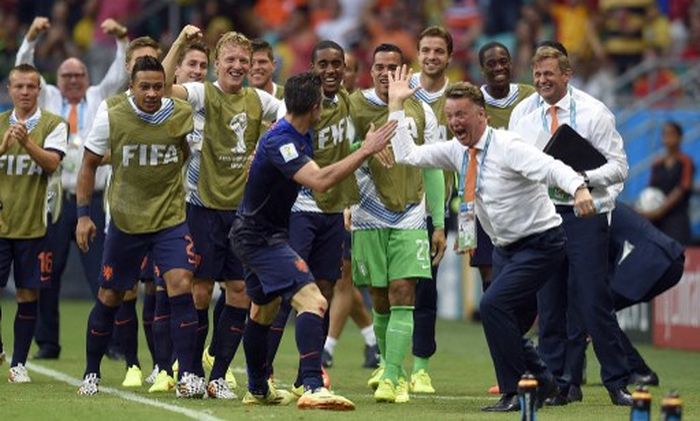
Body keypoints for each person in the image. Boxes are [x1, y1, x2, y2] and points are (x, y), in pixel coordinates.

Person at [389, 71, 593, 412]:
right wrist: (396, 105)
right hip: (505, 249)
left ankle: (515, 392)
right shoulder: (458, 149)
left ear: (481, 115)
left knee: (493, 306)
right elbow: (407, 155)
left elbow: (551, 167)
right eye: (450, 115)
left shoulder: (508, 146)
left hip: (541, 243)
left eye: (461, 115)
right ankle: (544, 381)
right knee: (506, 319)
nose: (455, 122)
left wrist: (579, 188)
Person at [230, 71, 396, 410]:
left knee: (263, 310)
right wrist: (365, 151)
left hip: (258, 232)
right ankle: (312, 384)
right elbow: (320, 180)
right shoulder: (283, 140)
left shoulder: (298, 135)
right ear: (316, 106)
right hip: (260, 237)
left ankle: (258, 388)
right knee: (314, 301)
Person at [162, 25, 282, 399]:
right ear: (216, 64)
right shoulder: (201, 93)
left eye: (242, 60)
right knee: (199, 291)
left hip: (242, 213)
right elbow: (163, 86)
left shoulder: (259, 101)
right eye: (229, 59)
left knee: (239, 291)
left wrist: (263, 152)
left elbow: (298, 117)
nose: (237, 65)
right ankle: (192, 372)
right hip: (201, 207)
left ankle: (219, 376)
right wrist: (180, 41)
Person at [509, 46, 633, 406]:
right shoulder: (523, 114)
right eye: (537, 74)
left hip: (585, 215)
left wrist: (581, 178)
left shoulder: (594, 112)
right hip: (542, 216)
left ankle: (616, 382)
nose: (542, 80)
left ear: (567, 74)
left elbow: (620, 167)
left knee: (593, 299)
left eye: (549, 74)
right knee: (549, 304)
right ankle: (559, 384)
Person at [75, 56, 202, 398]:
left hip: (169, 218)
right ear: (131, 87)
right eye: (144, 86)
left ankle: (188, 374)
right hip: (126, 220)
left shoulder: (180, 114)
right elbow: (88, 165)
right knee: (110, 295)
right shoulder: (112, 116)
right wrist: (84, 215)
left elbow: (187, 151)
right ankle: (91, 372)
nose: (151, 93)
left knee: (180, 283)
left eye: (157, 86)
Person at [15, 15, 129, 361]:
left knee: (102, 273)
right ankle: (48, 343)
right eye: (67, 75)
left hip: (92, 200)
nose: (74, 80)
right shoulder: (46, 96)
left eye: (79, 75)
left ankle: (108, 341)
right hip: (53, 201)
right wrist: (31, 37)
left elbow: (122, 72)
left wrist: (121, 38)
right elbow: (23, 69)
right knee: (46, 273)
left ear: (87, 78)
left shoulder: (99, 96)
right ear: (56, 79)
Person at [348, 43, 444, 404]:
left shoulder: (422, 110)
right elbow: (338, 153)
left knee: (403, 292)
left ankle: (392, 376)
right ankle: (391, 367)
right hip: (367, 214)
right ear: (370, 71)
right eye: (379, 67)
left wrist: (436, 222)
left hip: (410, 214)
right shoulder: (354, 106)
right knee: (380, 298)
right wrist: (365, 145)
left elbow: (432, 165)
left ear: (405, 71)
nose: (386, 74)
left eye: (394, 67)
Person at [477, 41, 541, 396]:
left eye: (504, 60)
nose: (499, 67)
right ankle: (507, 364)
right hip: (487, 206)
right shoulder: (474, 100)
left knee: (525, 292)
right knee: (494, 289)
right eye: (492, 63)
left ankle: (520, 356)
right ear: (482, 68)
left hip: (527, 204)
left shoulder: (529, 96)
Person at [147, 39, 210, 394]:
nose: (198, 71)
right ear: (180, 70)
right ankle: (162, 367)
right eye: (192, 65)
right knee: (164, 289)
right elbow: (162, 80)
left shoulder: (213, 104)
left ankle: (190, 365)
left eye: (203, 65)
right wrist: (178, 44)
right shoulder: (168, 105)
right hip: (172, 208)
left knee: (197, 290)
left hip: (207, 207)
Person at [0, 63, 67, 383]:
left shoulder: (54, 124)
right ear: (10, 90)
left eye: (31, 86)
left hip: (35, 225)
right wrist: (3, 145)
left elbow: (52, 164)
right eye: (19, 86)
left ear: (39, 90)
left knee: (28, 295)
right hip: (0, 224)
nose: (25, 92)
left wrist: (26, 143)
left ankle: (19, 364)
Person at [322, 50, 380, 371]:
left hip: (356, 201)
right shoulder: (323, 108)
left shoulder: (359, 110)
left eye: (346, 69)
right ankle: (373, 342)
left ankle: (328, 347)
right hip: (327, 198)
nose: (339, 74)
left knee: (346, 279)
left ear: (355, 75)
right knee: (344, 280)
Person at [642, 121, 695, 245]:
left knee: (676, 256)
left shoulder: (686, 162)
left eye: (672, 134)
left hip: (677, 219)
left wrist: (661, 209)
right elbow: (650, 190)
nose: (668, 137)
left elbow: (683, 188)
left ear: (680, 137)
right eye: (665, 134)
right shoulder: (657, 163)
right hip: (657, 220)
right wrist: (647, 210)